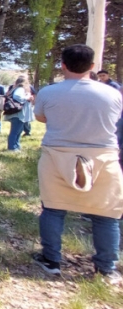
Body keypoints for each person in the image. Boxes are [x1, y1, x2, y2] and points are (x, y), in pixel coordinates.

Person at [32, 44, 123, 284]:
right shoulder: (112, 93)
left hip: (58, 154)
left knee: (52, 208)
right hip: (102, 155)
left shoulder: (49, 92)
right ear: (92, 67)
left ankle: (51, 259)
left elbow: (40, 117)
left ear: (63, 65)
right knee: (106, 214)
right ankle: (106, 267)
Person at [3, 76, 33, 151]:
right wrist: (27, 98)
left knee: (18, 131)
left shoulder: (16, 89)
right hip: (18, 114)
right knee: (15, 132)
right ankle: (12, 148)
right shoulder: (20, 89)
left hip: (19, 114)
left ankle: (16, 146)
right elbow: (17, 97)